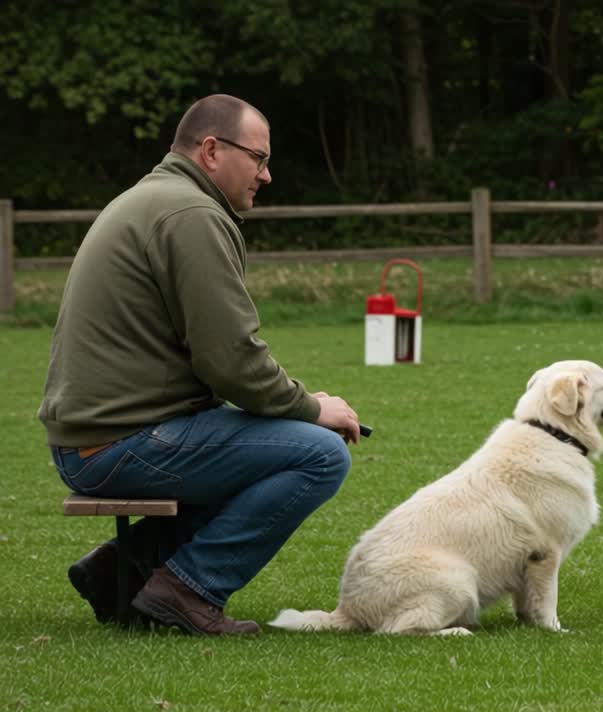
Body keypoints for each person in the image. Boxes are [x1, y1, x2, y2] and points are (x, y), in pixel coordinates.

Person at [39, 94, 361, 636]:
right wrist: (311, 408)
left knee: (277, 445)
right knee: (319, 455)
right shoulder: (191, 213)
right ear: (211, 150)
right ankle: (188, 588)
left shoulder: (158, 198)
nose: (267, 174)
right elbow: (230, 360)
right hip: (116, 443)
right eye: (257, 159)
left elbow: (221, 361)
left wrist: (295, 407)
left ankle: (122, 565)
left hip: (94, 436)